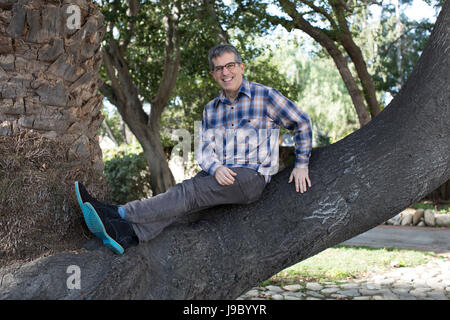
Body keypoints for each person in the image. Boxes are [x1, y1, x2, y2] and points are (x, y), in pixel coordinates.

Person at [75, 44, 312, 254]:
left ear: (241, 67)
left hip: (251, 177)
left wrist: (301, 164)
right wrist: (216, 167)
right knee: (183, 203)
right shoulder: (211, 109)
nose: (225, 72)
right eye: (219, 68)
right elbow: (205, 150)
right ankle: (128, 235)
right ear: (213, 74)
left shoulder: (265, 96)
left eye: (230, 65)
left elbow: (301, 122)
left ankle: (118, 213)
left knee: (187, 193)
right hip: (220, 174)